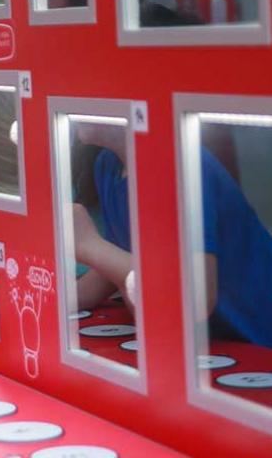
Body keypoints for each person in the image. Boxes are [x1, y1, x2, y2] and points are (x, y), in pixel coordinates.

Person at [71, 123, 272, 348]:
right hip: (199, 343)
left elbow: (194, 298)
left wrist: (91, 246)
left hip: (255, 340)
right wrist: (47, 294)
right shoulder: (108, 165)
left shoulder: (180, 164)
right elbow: (115, 267)